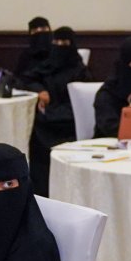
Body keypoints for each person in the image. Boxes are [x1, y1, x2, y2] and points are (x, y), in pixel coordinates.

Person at [25, 26, 87, 195]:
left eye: (64, 43)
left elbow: (79, 106)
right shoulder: (47, 66)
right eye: (56, 42)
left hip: (67, 124)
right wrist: (40, 91)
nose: (59, 46)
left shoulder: (81, 72)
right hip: (44, 121)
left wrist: (50, 114)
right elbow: (26, 79)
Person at [13, 16, 53, 84]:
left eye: (43, 29)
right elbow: (18, 79)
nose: (40, 33)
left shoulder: (59, 53)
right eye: (35, 31)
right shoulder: (25, 56)